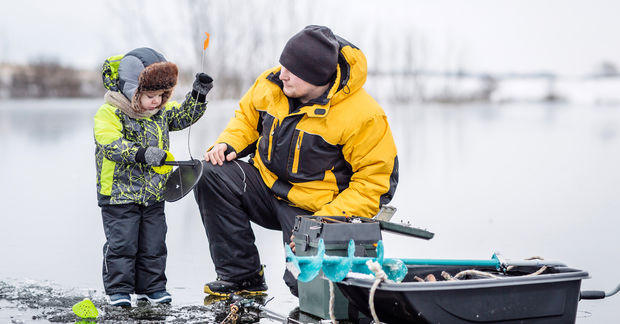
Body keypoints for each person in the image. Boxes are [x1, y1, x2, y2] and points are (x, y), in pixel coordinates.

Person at [194, 25, 398, 297]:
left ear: (318, 77)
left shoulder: (364, 116)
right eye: (283, 64)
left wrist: (327, 221)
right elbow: (245, 118)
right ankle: (242, 276)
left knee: (308, 290)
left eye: (293, 71)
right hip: (264, 187)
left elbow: (375, 184)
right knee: (210, 173)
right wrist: (227, 143)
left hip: (315, 209)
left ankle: (321, 283)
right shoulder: (272, 83)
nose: (282, 74)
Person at [94, 47, 213, 306]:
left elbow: (183, 116)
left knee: (154, 244)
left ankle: (153, 288)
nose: (157, 102)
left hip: (153, 194)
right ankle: (118, 290)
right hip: (119, 196)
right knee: (122, 245)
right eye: (150, 95)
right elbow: (110, 144)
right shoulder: (110, 113)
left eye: (162, 95)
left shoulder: (158, 114)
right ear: (130, 89)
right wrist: (143, 153)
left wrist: (198, 95)